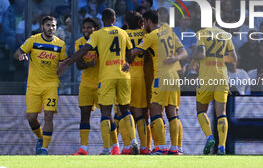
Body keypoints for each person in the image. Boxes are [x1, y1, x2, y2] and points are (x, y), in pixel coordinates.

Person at [58, 8, 138, 155]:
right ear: (114, 20)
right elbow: (131, 52)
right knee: (125, 110)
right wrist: (128, 62)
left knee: (106, 114)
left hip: (106, 77)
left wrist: (66, 63)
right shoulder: (123, 32)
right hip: (123, 76)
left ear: (102, 21)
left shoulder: (98, 35)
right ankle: (133, 142)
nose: (86, 30)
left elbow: (83, 51)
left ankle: (109, 148)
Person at [128, 10, 188, 155]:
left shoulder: (151, 36)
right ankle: (175, 148)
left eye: (144, 22)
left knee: (155, 111)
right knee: (172, 113)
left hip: (160, 77)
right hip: (174, 76)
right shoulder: (168, 31)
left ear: (148, 21)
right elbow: (184, 52)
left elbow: (134, 53)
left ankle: (160, 147)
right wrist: (175, 58)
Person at [13, 16, 67, 155]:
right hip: (33, 86)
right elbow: (18, 52)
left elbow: (63, 62)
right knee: (31, 118)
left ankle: (44, 149)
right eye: (48, 25)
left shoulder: (60, 44)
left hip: (51, 85)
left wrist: (62, 67)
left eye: (53, 26)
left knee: (49, 115)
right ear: (42, 27)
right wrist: (20, 56)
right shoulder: (33, 40)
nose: (51, 28)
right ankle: (40, 137)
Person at [72, 17, 120, 155]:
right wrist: (89, 64)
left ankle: (115, 146)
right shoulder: (79, 43)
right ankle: (84, 148)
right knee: (84, 115)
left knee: (107, 115)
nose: (86, 30)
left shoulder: (101, 41)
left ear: (96, 29)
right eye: (84, 27)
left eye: (89, 28)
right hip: (86, 85)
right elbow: (79, 64)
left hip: (102, 84)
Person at [192, 14, 237, 155]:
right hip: (222, 77)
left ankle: (210, 137)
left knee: (201, 110)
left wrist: (193, 56)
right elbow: (234, 58)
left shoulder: (201, 33)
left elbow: (201, 54)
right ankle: (222, 147)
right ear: (216, 19)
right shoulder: (225, 35)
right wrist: (218, 58)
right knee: (221, 114)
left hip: (206, 76)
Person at [124, 11, 149, 154]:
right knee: (140, 114)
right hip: (140, 76)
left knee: (124, 112)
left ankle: (128, 146)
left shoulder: (122, 34)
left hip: (125, 75)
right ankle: (145, 147)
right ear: (140, 23)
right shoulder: (145, 35)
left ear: (126, 23)